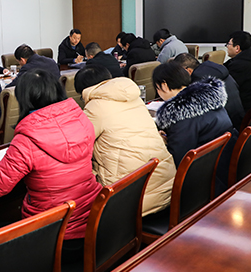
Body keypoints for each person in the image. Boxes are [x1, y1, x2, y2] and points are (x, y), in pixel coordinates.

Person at [0, 68, 101, 262]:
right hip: (93, 223)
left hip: (53, 236)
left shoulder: (27, 139)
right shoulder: (81, 120)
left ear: (24, 98)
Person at [74, 66, 176, 216]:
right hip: (168, 189)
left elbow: (78, 146)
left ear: (85, 91)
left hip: (130, 202)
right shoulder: (134, 98)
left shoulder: (95, 107)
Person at [153, 62, 235, 187]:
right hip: (223, 168)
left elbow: (178, 159)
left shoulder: (180, 114)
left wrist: (162, 143)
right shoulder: (209, 99)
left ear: (164, 85)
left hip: (201, 181)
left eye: (157, 88)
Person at [173, 53, 245, 129]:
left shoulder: (200, 82)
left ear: (188, 71)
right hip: (237, 121)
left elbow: (191, 112)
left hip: (225, 127)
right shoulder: (216, 71)